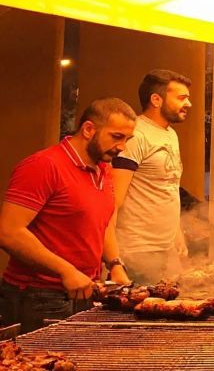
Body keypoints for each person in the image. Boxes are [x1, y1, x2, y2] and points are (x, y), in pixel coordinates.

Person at [0, 99, 136, 331]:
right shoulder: (43, 165)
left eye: (127, 139)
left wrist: (114, 264)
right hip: (37, 296)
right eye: (116, 136)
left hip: (84, 291)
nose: (122, 146)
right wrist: (66, 270)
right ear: (88, 129)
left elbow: (101, 224)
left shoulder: (103, 169)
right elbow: (9, 233)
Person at [112, 69, 192, 282]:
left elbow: (168, 186)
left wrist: (176, 232)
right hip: (137, 249)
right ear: (156, 99)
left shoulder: (170, 134)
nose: (189, 104)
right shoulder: (136, 135)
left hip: (164, 248)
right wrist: (113, 260)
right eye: (182, 98)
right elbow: (113, 200)